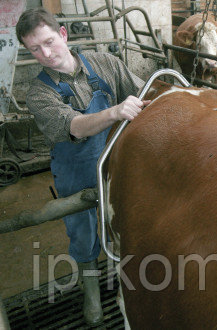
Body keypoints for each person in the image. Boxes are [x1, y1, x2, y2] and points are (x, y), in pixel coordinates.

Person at [16, 7, 150, 326]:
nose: (46, 54)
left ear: (63, 34)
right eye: (35, 48)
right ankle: (91, 293)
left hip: (119, 164)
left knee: (127, 227)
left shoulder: (106, 63)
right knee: (84, 234)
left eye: (49, 41)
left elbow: (146, 94)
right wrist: (116, 111)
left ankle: (129, 286)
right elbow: (74, 126)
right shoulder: (38, 93)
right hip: (76, 172)